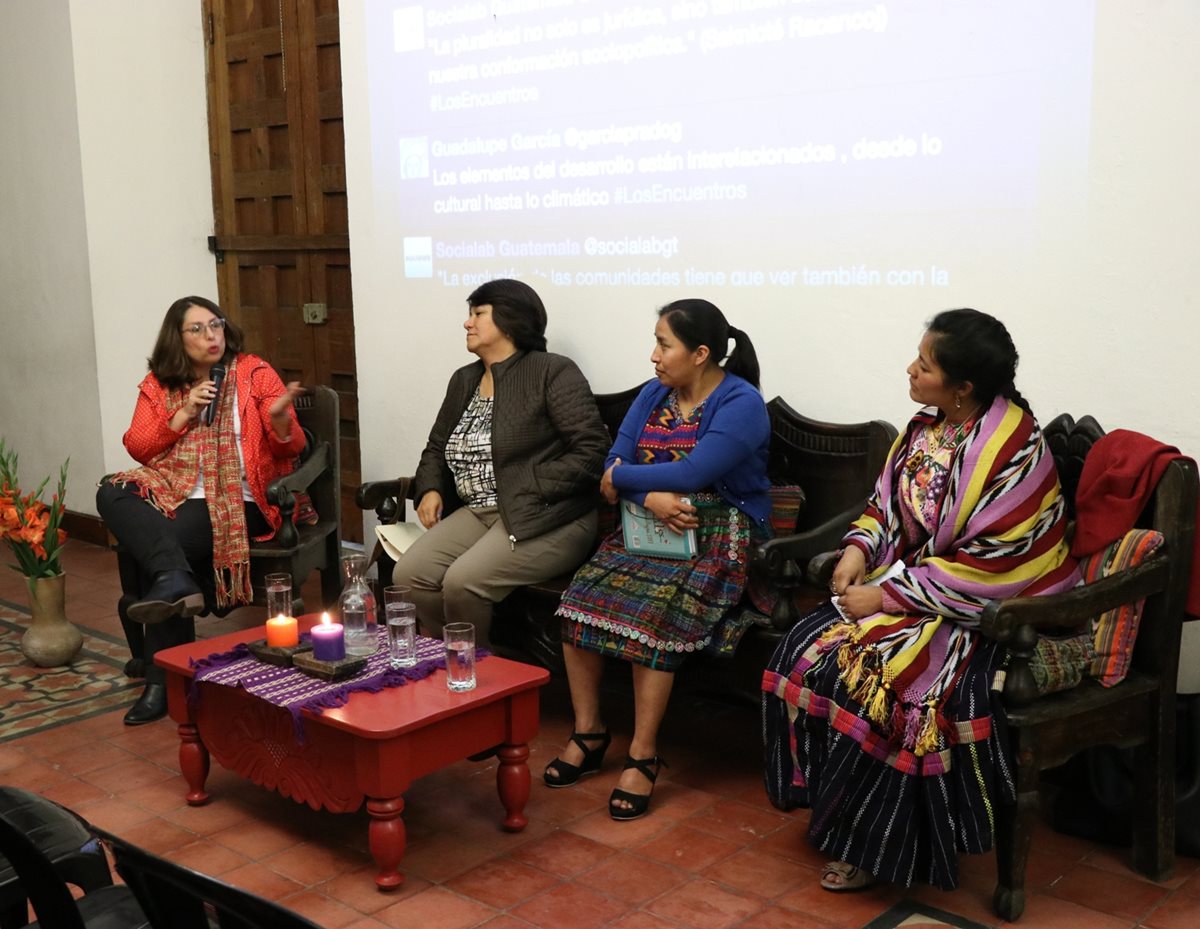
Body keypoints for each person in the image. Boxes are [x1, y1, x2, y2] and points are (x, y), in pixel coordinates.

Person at [762, 308, 1081, 893]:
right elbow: (886, 508)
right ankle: (836, 816)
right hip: (921, 589)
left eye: (925, 365)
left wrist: (885, 595)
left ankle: (880, 847)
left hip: (994, 610)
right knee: (809, 647)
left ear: (963, 387)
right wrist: (859, 549)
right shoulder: (922, 429)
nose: (911, 370)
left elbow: (998, 565)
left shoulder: (1014, 446)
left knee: (891, 684)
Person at [546, 299, 770, 821]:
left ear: (701, 353)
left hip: (719, 536)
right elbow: (612, 458)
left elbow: (691, 474)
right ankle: (589, 732)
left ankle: (643, 756)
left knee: (653, 613)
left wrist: (625, 481)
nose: (654, 356)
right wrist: (649, 497)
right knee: (578, 600)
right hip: (647, 529)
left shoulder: (741, 402)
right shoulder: (653, 394)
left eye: (664, 344)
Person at [97, 296, 305, 725]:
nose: (212, 336)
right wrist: (186, 410)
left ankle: (161, 680)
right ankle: (174, 581)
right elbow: (138, 447)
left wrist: (281, 419)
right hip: (173, 490)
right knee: (111, 492)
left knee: (156, 549)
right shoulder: (161, 382)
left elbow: (293, 445)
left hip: (239, 499)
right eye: (198, 329)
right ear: (177, 338)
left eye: (216, 325)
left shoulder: (253, 372)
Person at [392, 279, 609, 644]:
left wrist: (529, 484)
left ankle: (476, 678)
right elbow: (436, 447)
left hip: (549, 515)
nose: (467, 323)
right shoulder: (464, 379)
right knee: (409, 574)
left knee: (463, 582)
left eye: (478, 313)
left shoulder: (551, 371)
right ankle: (459, 657)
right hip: (481, 511)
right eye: (469, 314)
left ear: (510, 320)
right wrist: (429, 487)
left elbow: (592, 450)